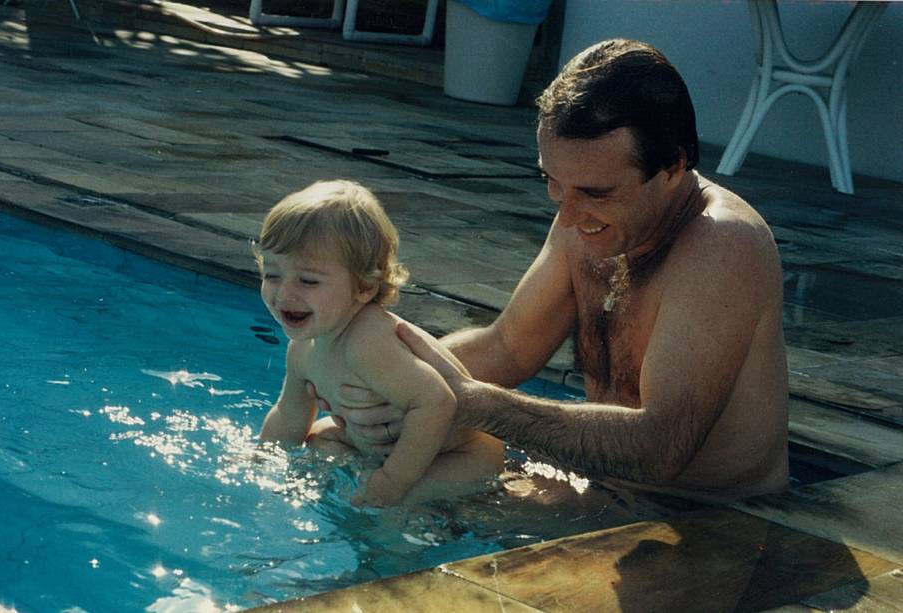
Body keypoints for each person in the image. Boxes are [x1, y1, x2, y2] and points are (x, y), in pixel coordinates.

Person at [315, 39, 789, 504]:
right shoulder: (584, 218)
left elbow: (660, 448)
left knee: (405, 505)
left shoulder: (722, 244)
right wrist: (378, 378)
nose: (566, 216)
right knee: (336, 456)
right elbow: (508, 347)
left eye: (596, 192)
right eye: (552, 182)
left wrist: (472, 403)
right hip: (605, 484)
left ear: (674, 166)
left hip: (715, 520)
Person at [256, 180, 503, 507]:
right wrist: (261, 460)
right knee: (319, 441)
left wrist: (392, 481)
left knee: (386, 505)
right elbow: (289, 417)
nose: (284, 293)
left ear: (364, 287)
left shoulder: (368, 341)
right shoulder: (303, 349)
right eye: (272, 274)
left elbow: (436, 403)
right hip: (381, 445)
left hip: (461, 456)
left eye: (308, 280)